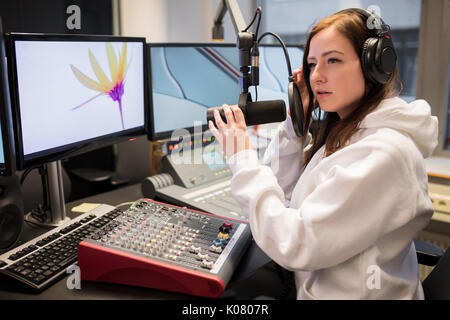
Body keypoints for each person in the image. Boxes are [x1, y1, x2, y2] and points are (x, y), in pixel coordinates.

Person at [208, 8, 438, 299]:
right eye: (313, 63)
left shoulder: (385, 154)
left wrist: (242, 158)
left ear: (375, 64)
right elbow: (283, 193)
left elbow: (294, 242)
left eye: (333, 60)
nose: (316, 76)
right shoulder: (348, 133)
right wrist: (296, 125)